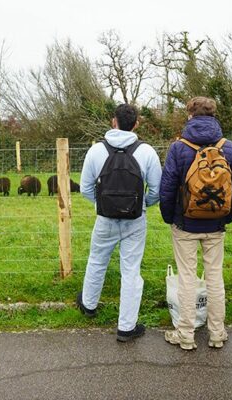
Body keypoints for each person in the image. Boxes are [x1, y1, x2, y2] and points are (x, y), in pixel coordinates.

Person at [159, 97, 232, 350]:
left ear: (190, 115)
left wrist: (170, 218)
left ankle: (185, 334)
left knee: (187, 277)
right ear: (214, 115)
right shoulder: (228, 147)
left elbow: (167, 188)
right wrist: (226, 217)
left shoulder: (179, 148)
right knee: (215, 276)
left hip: (184, 224)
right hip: (216, 225)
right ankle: (217, 333)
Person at [76, 103, 162, 342]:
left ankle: (89, 305)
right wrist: (142, 205)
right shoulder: (146, 152)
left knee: (96, 260)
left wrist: (101, 205)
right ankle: (126, 327)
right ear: (136, 124)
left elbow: (85, 188)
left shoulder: (96, 151)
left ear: (114, 121)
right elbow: (157, 189)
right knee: (131, 270)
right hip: (135, 220)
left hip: (105, 219)